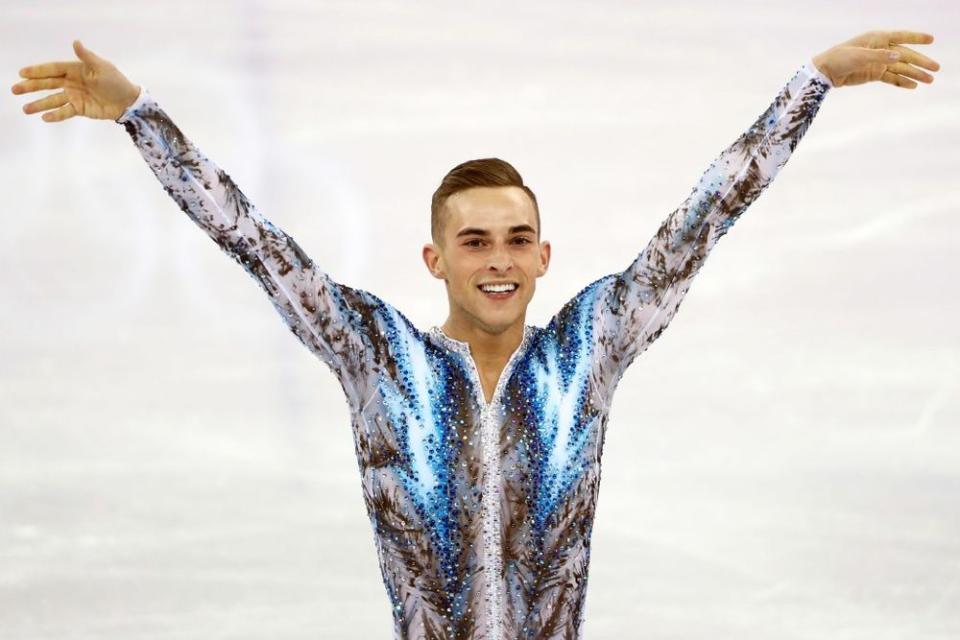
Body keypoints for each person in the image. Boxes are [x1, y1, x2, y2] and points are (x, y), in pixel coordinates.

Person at [12, 30, 939, 639]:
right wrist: (140, 114)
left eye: (517, 240)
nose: (498, 260)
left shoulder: (591, 345)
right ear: (435, 259)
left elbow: (700, 223)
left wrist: (811, 85)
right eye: (475, 241)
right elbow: (252, 240)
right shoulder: (376, 352)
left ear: (544, 258)